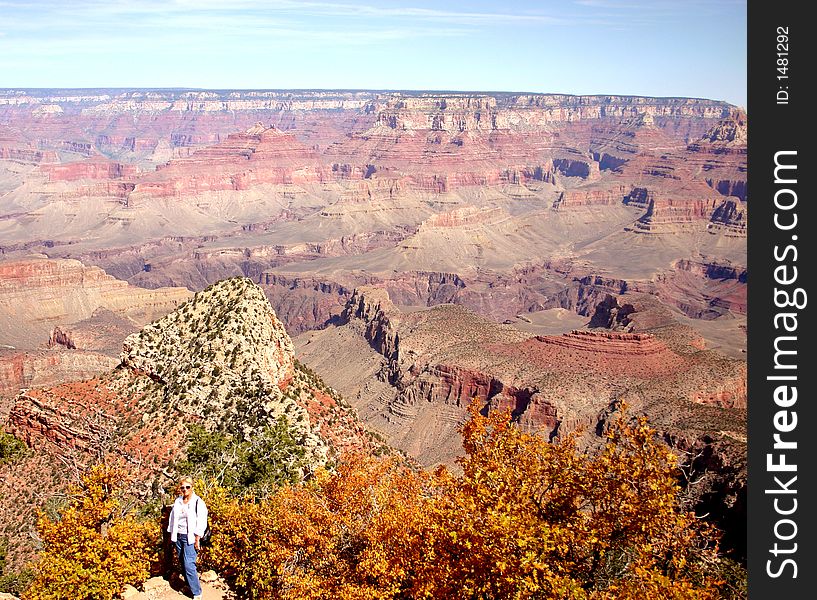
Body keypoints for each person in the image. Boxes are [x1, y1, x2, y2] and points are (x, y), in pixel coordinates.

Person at [167, 477, 207, 600]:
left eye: (187, 487)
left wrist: (197, 537)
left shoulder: (197, 502)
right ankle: (189, 586)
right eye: (182, 487)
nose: (185, 489)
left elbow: (202, 520)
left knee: (189, 564)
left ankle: (197, 593)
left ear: (192, 487)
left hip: (190, 536)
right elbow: (172, 518)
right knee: (183, 563)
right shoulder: (178, 501)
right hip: (178, 535)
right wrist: (171, 534)